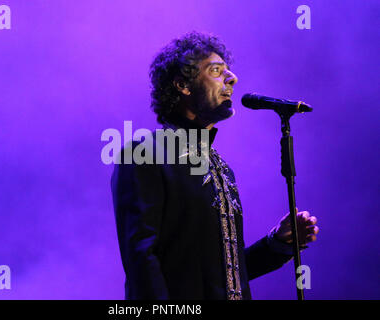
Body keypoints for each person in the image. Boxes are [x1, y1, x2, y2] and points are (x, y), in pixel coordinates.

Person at [111, 31, 319, 300]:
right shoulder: (143, 153)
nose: (232, 78)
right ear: (183, 85)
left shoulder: (221, 166)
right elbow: (142, 262)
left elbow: (225, 273)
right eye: (216, 71)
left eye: (229, 71)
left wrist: (278, 243)